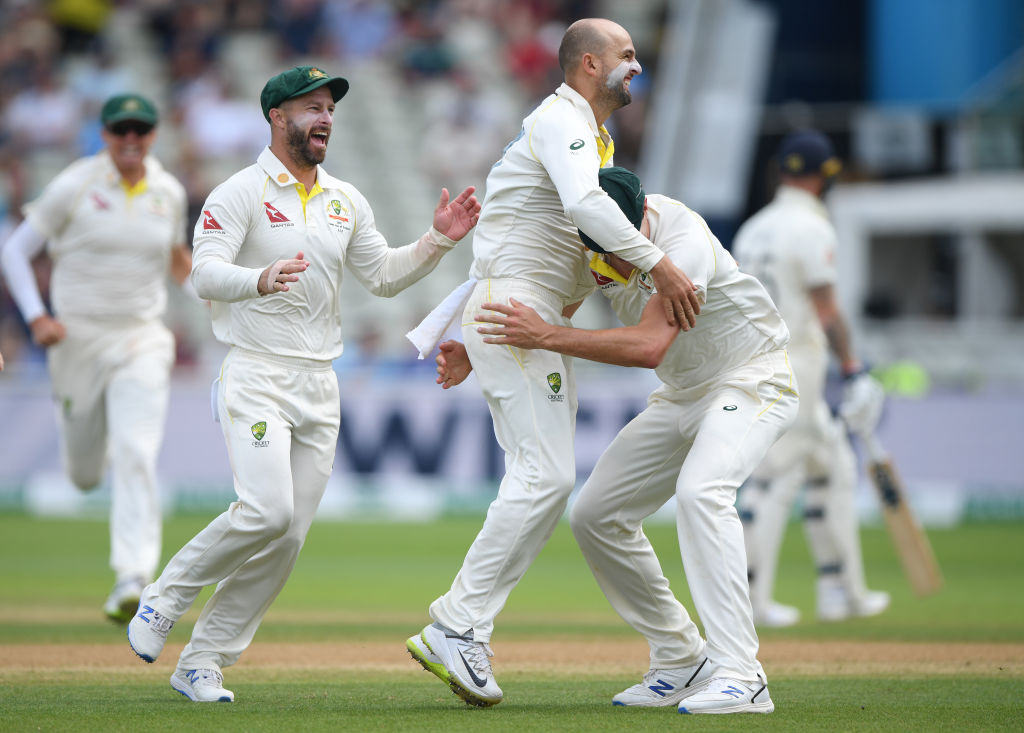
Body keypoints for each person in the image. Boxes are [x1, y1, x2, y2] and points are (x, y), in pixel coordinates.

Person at [126, 65, 481, 703]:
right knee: (267, 510)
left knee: (285, 538)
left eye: (330, 109)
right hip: (257, 371)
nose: (325, 119)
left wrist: (438, 240)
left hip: (322, 383)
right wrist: (258, 279)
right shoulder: (238, 192)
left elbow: (383, 276)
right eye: (312, 108)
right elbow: (204, 274)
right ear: (277, 117)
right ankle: (165, 597)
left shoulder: (345, 198)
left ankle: (203, 661)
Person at [404, 18, 702, 708]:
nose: (637, 66)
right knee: (546, 473)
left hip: (519, 309)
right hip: (517, 305)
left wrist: (469, 334)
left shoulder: (594, 133)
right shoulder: (562, 117)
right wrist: (663, 268)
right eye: (627, 56)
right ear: (589, 65)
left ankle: (462, 624)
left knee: (544, 474)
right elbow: (582, 204)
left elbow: (524, 237)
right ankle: (456, 624)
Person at [434, 167, 796, 714]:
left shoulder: (684, 241)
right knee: (597, 514)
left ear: (637, 223)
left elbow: (650, 345)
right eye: (598, 251)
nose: (610, 266)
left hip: (752, 378)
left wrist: (547, 336)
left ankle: (742, 674)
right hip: (682, 393)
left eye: (617, 250)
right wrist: (476, 347)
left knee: (703, 492)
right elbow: (564, 305)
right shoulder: (598, 245)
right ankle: (680, 657)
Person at [0, 93, 190, 623]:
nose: (131, 140)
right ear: (104, 134)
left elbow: (179, 263)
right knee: (84, 474)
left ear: (153, 135)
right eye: (120, 130)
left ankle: (133, 577)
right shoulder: (75, 183)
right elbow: (14, 251)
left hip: (142, 336)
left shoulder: (168, 191)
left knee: (136, 450)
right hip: (76, 341)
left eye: (141, 130)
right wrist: (37, 316)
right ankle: (96, 441)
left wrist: (230, 297)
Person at [732, 129, 889, 627]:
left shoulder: (752, 228)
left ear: (781, 171)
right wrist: (854, 368)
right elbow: (826, 310)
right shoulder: (813, 228)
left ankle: (840, 590)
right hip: (795, 366)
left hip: (755, 359)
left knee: (835, 469)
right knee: (772, 482)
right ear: (823, 178)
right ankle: (753, 604)